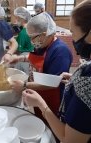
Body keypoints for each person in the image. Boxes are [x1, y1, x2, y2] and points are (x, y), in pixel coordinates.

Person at [22, 0, 91, 142]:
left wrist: (41, 104)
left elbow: (69, 140)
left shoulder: (61, 52)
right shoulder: (85, 71)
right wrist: (74, 78)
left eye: (72, 32)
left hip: (52, 103)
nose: (72, 38)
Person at [9, 12, 73, 121]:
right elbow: (36, 57)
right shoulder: (41, 44)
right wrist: (20, 58)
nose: (31, 41)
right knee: (40, 120)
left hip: (52, 102)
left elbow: (53, 83)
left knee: (51, 129)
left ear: (44, 34)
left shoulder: (60, 52)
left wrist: (25, 85)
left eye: (32, 38)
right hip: (39, 97)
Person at [12, 7, 34, 75]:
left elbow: (18, 50)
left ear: (20, 18)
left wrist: (10, 52)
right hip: (31, 57)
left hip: (23, 59)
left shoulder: (23, 33)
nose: (16, 20)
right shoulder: (32, 29)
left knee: (21, 78)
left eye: (16, 18)